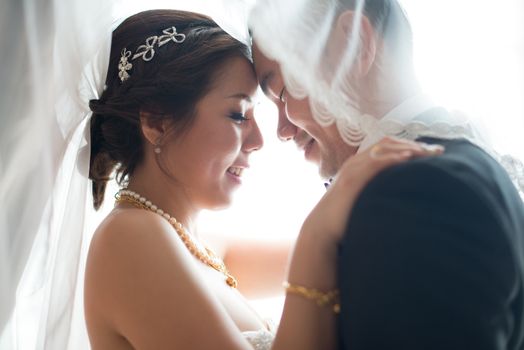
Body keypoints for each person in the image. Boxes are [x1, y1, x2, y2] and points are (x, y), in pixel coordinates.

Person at [84, 8, 443, 350]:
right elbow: (319, 255)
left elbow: (355, 252)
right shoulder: (129, 237)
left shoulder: (203, 247)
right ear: (157, 123)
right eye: (238, 115)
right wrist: (322, 224)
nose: (259, 141)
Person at [249, 0, 524, 349]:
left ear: (356, 46)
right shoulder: (438, 167)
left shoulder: (419, 193)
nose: (282, 130)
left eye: (284, 93)